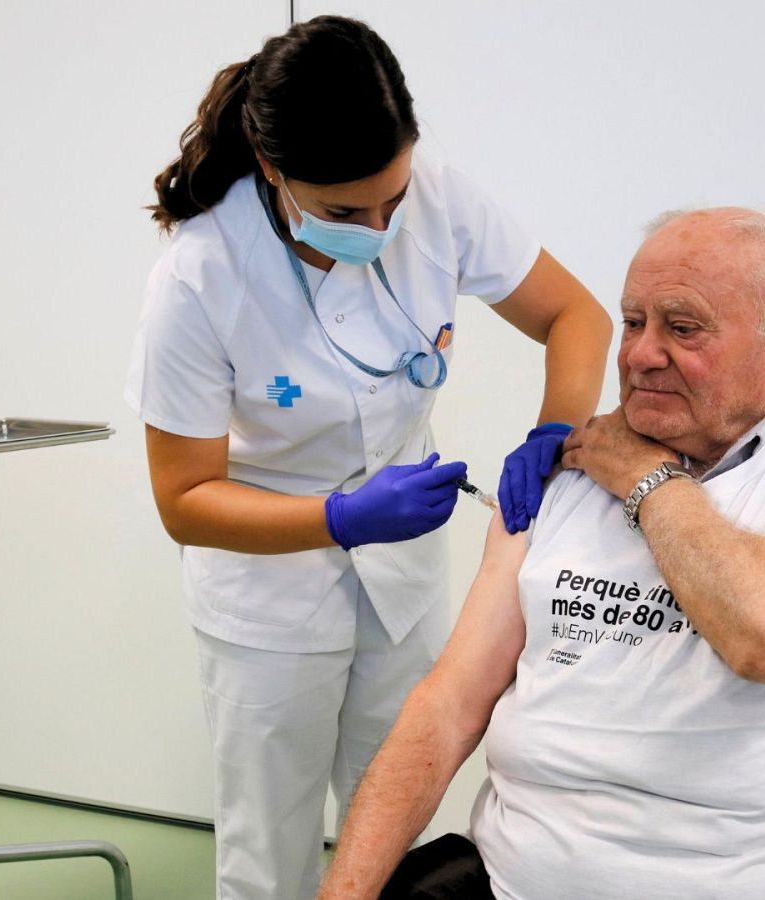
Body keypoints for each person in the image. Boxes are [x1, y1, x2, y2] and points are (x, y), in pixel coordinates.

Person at [124, 16, 611, 900]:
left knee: (396, 831)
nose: (382, 227)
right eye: (347, 213)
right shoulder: (200, 276)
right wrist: (340, 518)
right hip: (268, 591)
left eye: (394, 198)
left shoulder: (441, 199)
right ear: (272, 168)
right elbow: (184, 499)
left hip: (403, 579)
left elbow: (576, 315)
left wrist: (555, 431)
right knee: (268, 852)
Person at [317, 207, 765, 900]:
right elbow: (447, 707)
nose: (641, 354)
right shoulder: (568, 475)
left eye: (683, 327)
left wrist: (646, 478)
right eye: (634, 321)